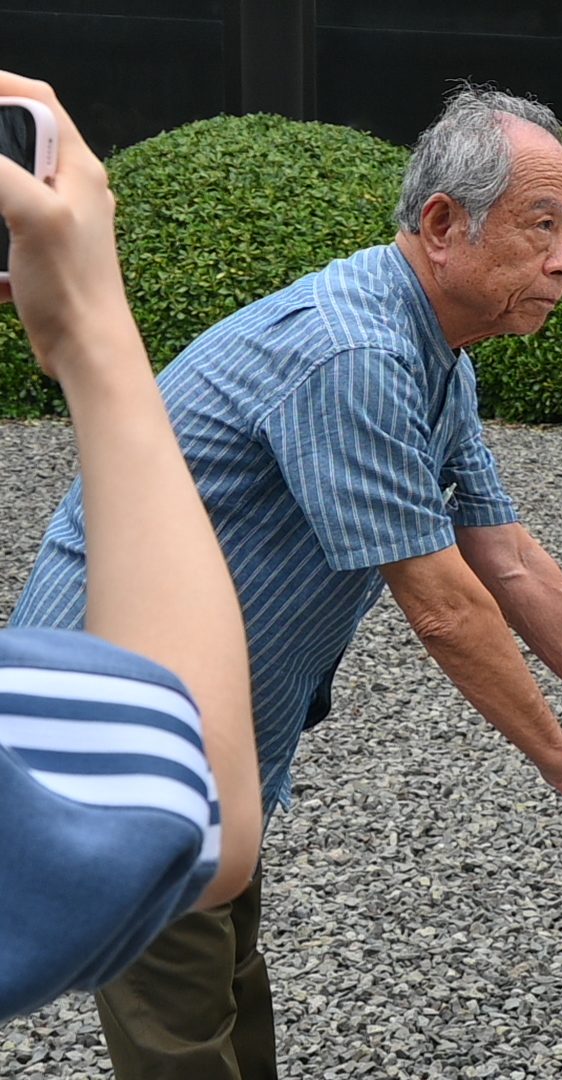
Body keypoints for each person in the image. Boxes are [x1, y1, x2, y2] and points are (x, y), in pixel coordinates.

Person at [9, 85, 562, 1078]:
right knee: (181, 1019)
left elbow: (506, 557)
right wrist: (560, 757)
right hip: (121, 721)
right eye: (541, 226)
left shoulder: (438, 354)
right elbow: (444, 606)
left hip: (211, 719)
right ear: (442, 225)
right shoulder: (356, 351)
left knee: (223, 971)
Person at [0, 72, 262, 1019]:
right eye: (544, 227)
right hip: (111, 687)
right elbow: (191, 801)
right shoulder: (350, 349)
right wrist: (89, 333)